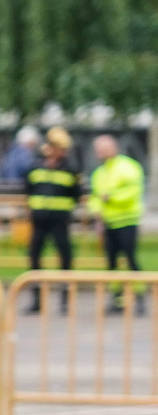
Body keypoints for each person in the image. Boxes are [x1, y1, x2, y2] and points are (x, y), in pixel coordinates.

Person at [23, 126, 81, 314]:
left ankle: (65, 301)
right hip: (39, 221)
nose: (61, 152)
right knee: (34, 258)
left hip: (60, 221)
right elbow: (29, 189)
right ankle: (36, 300)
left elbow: (76, 195)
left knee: (65, 260)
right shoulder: (35, 166)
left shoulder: (70, 169)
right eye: (58, 147)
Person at [88, 134, 146, 315]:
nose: (99, 152)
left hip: (127, 221)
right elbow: (95, 197)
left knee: (130, 259)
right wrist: (96, 212)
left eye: (101, 148)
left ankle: (140, 298)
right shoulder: (99, 172)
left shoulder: (128, 167)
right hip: (108, 223)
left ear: (112, 148)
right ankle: (117, 299)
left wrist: (111, 199)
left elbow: (134, 192)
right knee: (111, 262)